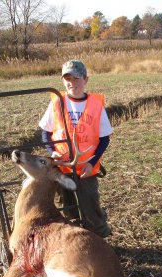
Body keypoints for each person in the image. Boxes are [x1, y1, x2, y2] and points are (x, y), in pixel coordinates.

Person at [39, 60, 112, 238]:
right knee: (68, 210)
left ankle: (102, 241)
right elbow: (45, 133)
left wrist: (92, 162)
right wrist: (51, 152)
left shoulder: (96, 105)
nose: (72, 83)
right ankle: (77, 241)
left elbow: (104, 139)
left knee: (91, 208)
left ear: (86, 79)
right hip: (62, 168)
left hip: (86, 169)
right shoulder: (57, 103)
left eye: (76, 78)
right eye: (67, 78)